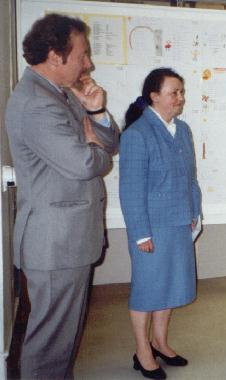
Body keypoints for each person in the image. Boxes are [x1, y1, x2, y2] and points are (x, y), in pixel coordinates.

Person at [5, 13, 119, 378]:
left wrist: (97, 111)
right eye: (83, 55)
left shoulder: (62, 95)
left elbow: (109, 143)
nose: (89, 63)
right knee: (51, 343)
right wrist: (91, 148)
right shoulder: (37, 103)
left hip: (67, 239)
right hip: (55, 242)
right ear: (55, 55)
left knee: (62, 339)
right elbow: (87, 164)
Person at [119, 68, 202, 379]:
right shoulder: (137, 135)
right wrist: (141, 234)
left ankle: (161, 343)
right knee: (147, 290)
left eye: (181, 92)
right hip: (151, 229)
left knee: (169, 287)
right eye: (174, 93)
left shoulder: (182, 130)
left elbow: (191, 177)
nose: (180, 98)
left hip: (179, 222)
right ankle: (143, 352)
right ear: (155, 96)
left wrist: (195, 211)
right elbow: (130, 190)